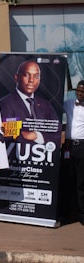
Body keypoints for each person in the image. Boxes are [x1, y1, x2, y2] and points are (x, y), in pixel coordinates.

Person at [0, 59, 61, 143]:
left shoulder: (45, 104)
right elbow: (8, 133)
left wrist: (37, 135)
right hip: (18, 154)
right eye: (26, 75)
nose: (31, 80)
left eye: (36, 76)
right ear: (16, 77)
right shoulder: (5, 103)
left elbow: (58, 132)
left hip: (44, 154)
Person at [60, 80, 84, 226]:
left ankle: (82, 215)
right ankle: (66, 214)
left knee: (81, 183)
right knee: (67, 180)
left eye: (83, 92)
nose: (80, 94)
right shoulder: (68, 103)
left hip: (82, 147)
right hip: (68, 146)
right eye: (79, 91)